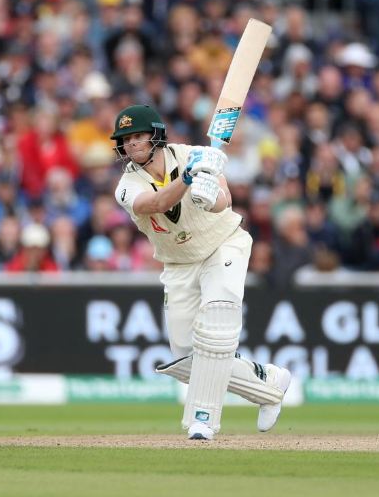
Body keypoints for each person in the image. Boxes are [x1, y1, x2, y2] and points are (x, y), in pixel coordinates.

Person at [110, 105, 291, 440]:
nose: (132, 144)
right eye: (126, 140)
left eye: (137, 136)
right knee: (186, 358)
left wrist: (210, 195)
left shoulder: (196, 154)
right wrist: (188, 179)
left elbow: (226, 200)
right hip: (178, 263)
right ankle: (267, 384)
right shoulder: (126, 185)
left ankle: (202, 419)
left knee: (217, 322)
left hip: (224, 243)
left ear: (156, 135)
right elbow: (154, 204)